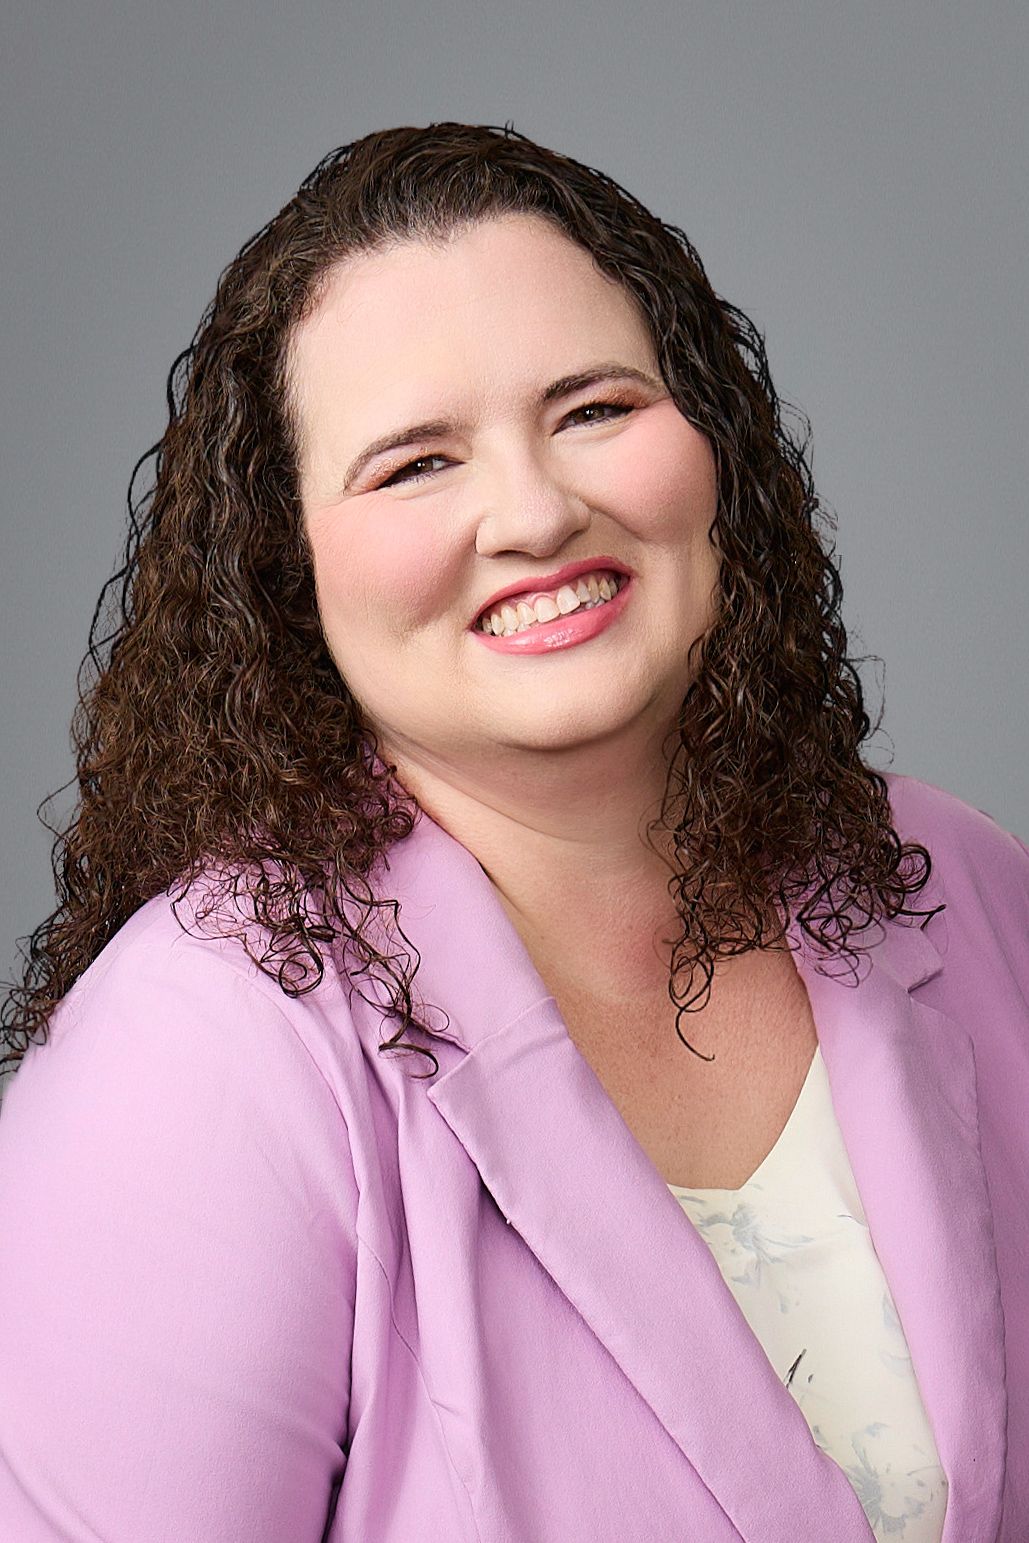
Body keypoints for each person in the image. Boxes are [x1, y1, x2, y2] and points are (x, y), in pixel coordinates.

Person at [0, 120, 1025, 1543]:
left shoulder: (961, 889)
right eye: (414, 463)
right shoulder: (196, 1053)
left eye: (596, 408)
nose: (537, 511)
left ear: (710, 441)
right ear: (286, 570)